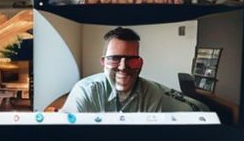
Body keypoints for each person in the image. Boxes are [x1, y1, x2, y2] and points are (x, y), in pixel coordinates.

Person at [63, 27, 197, 113]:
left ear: (140, 63)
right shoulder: (85, 92)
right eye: (115, 58)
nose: (122, 67)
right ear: (103, 62)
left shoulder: (152, 93)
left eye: (131, 60)